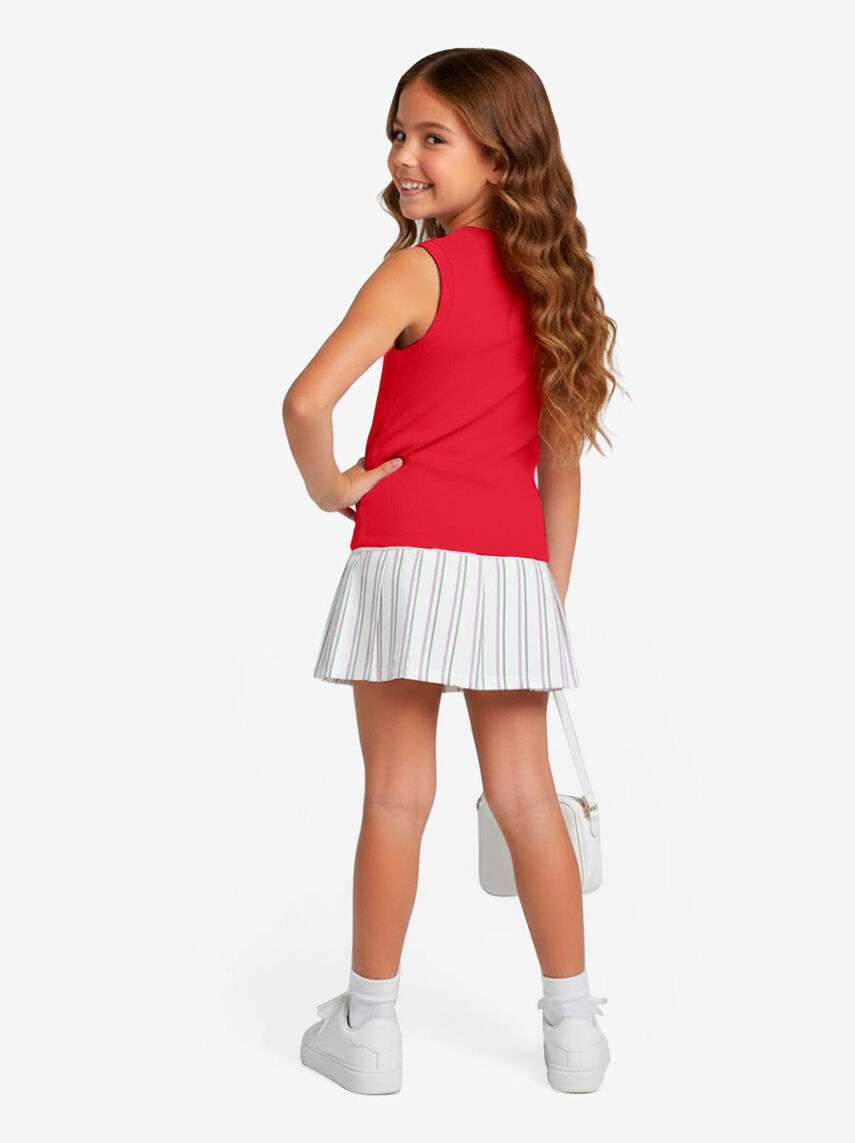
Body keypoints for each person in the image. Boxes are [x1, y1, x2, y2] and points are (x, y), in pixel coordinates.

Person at [282, 47, 622, 1095]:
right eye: (398, 133)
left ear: (500, 159)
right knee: (527, 796)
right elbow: (561, 474)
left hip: (403, 553)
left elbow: (305, 401)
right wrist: (542, 597)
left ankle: (369, 1030)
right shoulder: (557, 293)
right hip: (510, 568)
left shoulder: (416, 272)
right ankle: (574, 1032)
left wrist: (330, 487)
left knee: (396, 796)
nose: (404, 156)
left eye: (433, 138)